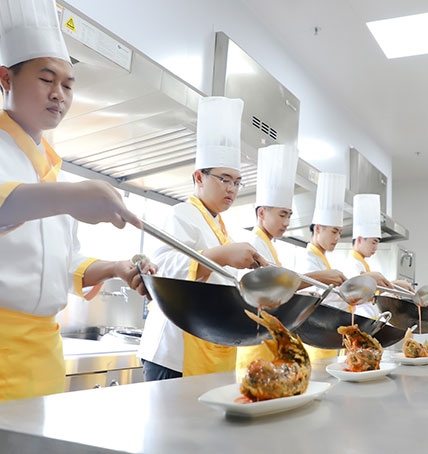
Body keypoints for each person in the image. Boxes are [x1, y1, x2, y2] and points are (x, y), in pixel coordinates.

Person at [0, 0, 156, 401]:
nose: (59, 95)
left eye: (68, 86)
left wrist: (115, 268)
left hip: (44, 358)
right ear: (5, 79)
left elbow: (65, 263)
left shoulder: (52, 170)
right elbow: (5, 207)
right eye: (46, 79)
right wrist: (73, 196)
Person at [138, 96, 268, 381]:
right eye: (225, 179)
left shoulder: (219, 226)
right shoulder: (181, 214)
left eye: (237, 182)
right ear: (199, 177)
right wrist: (222, 255)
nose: (232, 189)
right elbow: (164, 272)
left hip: (211, 342)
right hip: (174, 353)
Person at [236, 146, 348, 370]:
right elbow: (270, 291)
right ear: (261, 213)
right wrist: (318, 278)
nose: (287, 222)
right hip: (256, 342)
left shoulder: (270, 247)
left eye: (289, 215)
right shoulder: (253, 245)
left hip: (269, 340)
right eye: (282, 215)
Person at [296, 172, 348, 360]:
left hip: (328, 335)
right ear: (317, 229)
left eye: (340, 232)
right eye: (334, 232)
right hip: (315, 339)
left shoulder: (323, 260)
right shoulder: (306, 259)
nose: (337, 238)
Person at [343, 194, 413, 318]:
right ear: (359, 240)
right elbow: (357, 294)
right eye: (373, 242)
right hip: (357, 321)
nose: (375, 247)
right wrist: (391, 286)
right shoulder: (352, 265)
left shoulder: (363, 264)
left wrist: (394, 285)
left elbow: (370, 292)